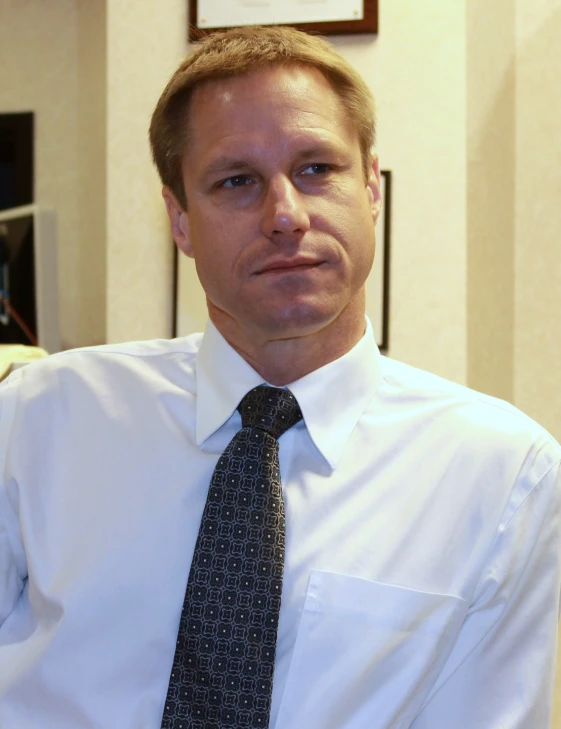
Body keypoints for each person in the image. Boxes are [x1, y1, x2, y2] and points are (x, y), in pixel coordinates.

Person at [0, 25, 560, 729]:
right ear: (179, 218)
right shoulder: (37, 417)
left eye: (316, 169)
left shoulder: (503, 474)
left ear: (369, 184)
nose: (285, 216)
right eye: (236, 181)